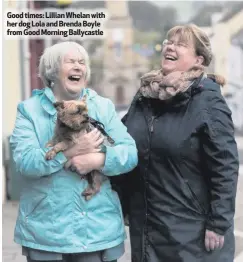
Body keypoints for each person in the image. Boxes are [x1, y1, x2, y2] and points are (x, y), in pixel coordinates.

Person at [111, 24, 239, 262]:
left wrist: (218, 223)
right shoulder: (146, 96)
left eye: (180, 44)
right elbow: (122, 144)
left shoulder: (207, 102)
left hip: (192, 234)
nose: (170, 46)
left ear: (198, 60)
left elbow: (225, 166)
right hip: (147, 229)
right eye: (169, 42)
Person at [10, 41, 138, 262]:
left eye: (82, 62)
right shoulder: (30, 110)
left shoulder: (102, 107)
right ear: (52, 70)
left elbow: (130, 154)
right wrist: (69, 152)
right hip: (46, 231)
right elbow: (25, 162)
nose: (79, 67)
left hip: (97, 228)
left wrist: (98, 159)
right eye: (71, 61)